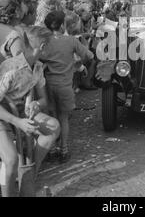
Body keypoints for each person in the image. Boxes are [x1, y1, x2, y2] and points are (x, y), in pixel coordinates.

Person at [0, 26, 60, 197]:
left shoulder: (38, 67)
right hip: (3, 114)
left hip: (20, 111)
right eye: (50, 46)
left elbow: (44, 100)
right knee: (10, 160)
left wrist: (36, 104)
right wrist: (18, 122)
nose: (51, 50)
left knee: (53, 128)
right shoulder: (10, 69)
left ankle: (28, 174)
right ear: (42, 47)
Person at [41, 11, 94, 163]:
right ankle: (64, 150)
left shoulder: (44, 41)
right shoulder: (71, 41)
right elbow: (89, 55)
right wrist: (79, 64)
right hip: (65, 85)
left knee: (51, 117)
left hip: (48, 85)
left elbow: (39, 58)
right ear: (63, 25)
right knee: (64, 118)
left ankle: (51, 150)